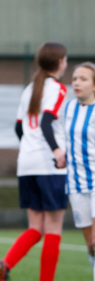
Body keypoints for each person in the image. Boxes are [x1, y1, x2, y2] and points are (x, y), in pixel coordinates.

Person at [0, 42, 68, 281]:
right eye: (65, 60)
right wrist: (56, 151)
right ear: (58, 63)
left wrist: (30, 149)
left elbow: (18, 127)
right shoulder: (58, 89)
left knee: (36, 228)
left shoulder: (29, 89)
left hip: (27, 164)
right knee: (53, 229)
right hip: (50, 166)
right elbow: (46, 123)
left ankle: (5, 264)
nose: (66, 64)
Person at [64, 62, 95, 280]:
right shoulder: (68, 108)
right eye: (75, 78)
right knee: (90, 245)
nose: (76, 82)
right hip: (75, 184)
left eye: (83, 79)